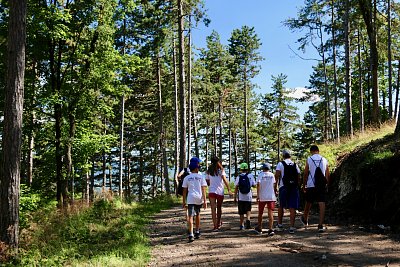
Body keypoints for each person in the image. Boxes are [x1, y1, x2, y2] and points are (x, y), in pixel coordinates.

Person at [301, 145, 330, 233]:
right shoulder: (324, 159)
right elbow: (327, 174)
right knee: (322, 203)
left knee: (308, 202)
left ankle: (305, 218)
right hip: (321, 185)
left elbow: (306, 173)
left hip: (311, 184)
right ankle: (320, 225)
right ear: (318, 151)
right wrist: (327, 185)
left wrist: (304, 184)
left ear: (311, 151)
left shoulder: (309, 159)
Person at [275, 150, 301, 234]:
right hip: (293, 188)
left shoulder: (280, 164)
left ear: (283, 156)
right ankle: (292, 227)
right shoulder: (295, 164)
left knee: (281, 206)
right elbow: (298, 176)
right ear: (290, 156)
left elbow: (277, 175)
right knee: (292, 207)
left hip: (283, 187)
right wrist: (298, 186)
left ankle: (280, 225)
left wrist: (275, 187)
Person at [182, 157, 207, 242]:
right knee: (198, 214)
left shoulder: (187, 178)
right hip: (198, 198)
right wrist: (204, 200)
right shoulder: (201, 177)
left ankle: (191, 233)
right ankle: (197, 231)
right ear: (196, 168)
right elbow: (203, 189)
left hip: (190, 198)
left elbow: (184, 191)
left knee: (190, 216)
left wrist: (183, 202)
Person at [206, 156, 233, 231]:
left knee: (213, 209)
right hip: (220, 192)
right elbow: (225, 180)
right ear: (218, 161)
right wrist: (229, 189)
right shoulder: (221, 170)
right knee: (219, 208)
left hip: (211, 191)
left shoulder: (208, 171)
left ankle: (215, 226)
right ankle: (218, 223)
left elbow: (207, 182)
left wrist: (211, 183)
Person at [256, 163, 276, 236]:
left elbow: (258, 185)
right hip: (271, 196)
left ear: (263, 168)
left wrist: (258, 195)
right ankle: (270, 229)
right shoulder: (272, 175)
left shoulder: (260, 175)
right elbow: (274, 184)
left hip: (262, 196)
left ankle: (259, 228)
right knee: (270, 212)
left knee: (260, 213)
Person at [234, 162, 256, 230]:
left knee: (241, 211)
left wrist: (235, 197)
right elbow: (254, 185)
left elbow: (236, 187)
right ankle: (248, 222)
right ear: (247, 169)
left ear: (240, 169)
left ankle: (241, 225)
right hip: (248, 196)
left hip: (241, 196)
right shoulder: (250, 176)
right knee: (248, 209)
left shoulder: (239, 177)